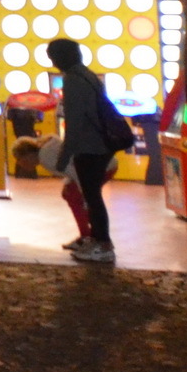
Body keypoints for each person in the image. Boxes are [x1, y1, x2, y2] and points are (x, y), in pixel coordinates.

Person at [46, 37, 131, 265]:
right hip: (102, 145)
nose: (53, 62)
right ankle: (97, 240)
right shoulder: (88, 75)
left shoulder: (72, 80)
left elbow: (74, 122)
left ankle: (103, 244)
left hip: (89, 147)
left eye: (52, 57)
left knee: (92, 198)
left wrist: (64, 156)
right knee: (93, 197)